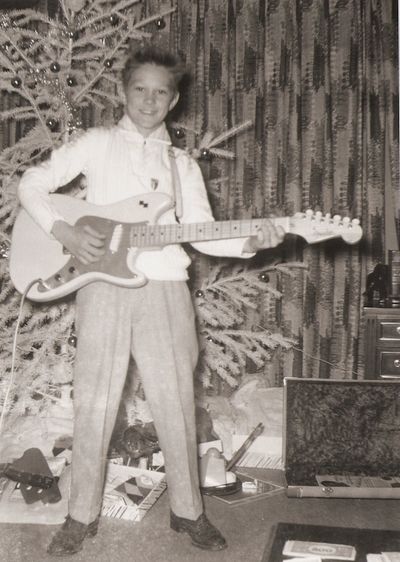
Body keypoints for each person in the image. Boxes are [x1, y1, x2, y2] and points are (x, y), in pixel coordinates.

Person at [17, 45, 285, 556]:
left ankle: (188, 511)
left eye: (160, 92)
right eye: (139, 89)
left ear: (173, 100)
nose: (148, 99)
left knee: (176, 400)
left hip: (164, 288)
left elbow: (203, 233)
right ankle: (80, 515)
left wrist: (253, 240)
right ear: (124, 91)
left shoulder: (181, 164)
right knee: (94, 400)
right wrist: (64, 232)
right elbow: (33, 183)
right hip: (103, 287)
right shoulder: (96, 143)